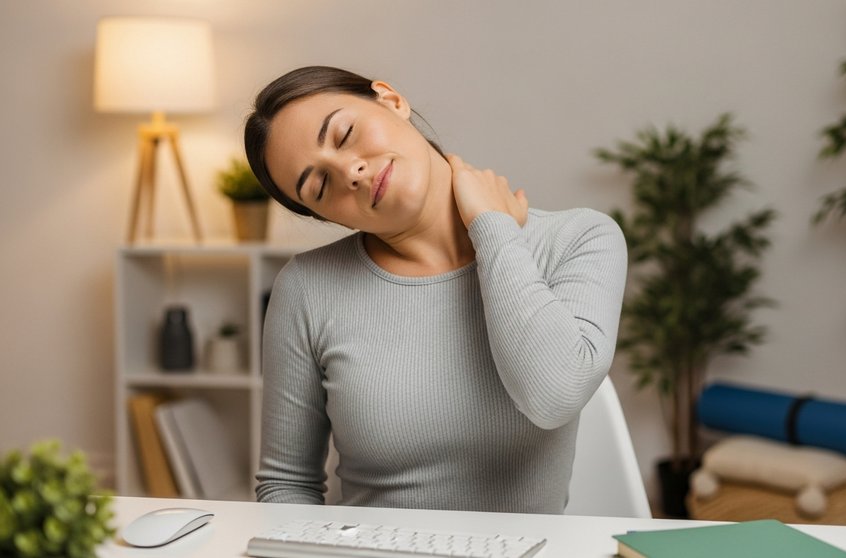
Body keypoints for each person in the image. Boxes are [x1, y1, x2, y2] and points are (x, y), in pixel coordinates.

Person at [244, 65, 627, 514]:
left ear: (390, 100)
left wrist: (493, 228)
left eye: (346, 133)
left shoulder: (578, 239)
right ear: (330, 218)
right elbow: (286, 485)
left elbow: (555, 395)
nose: (351, 170)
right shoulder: (307, 289)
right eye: (320, 185)